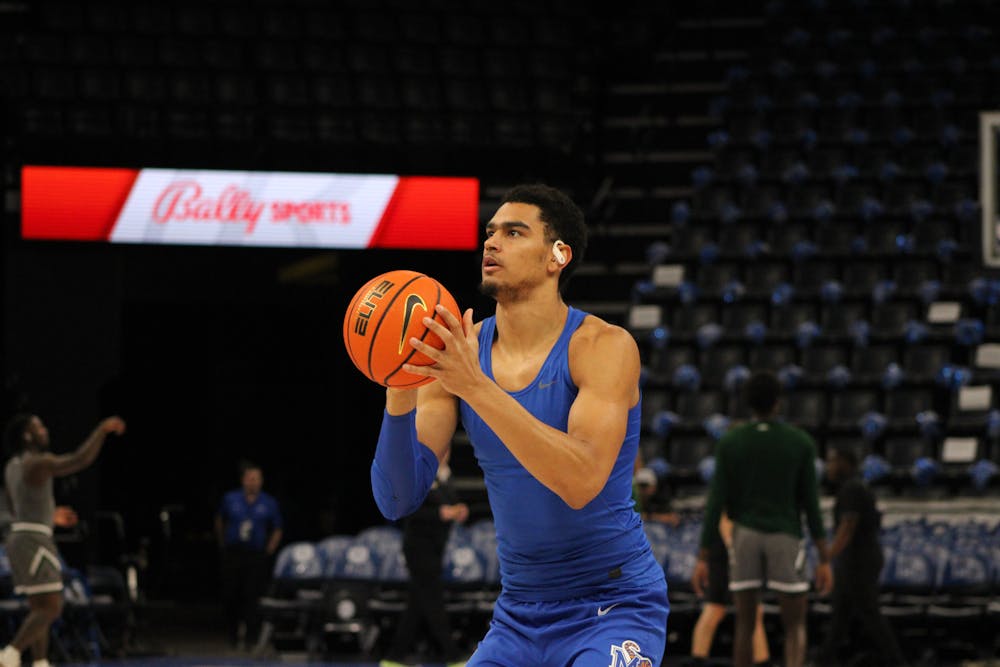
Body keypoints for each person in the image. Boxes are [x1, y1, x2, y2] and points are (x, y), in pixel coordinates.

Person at [371, 184, 668, 666]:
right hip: (518, 615)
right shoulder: (460, 357)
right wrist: (398, 383)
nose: (491, 243)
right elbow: (396, 498)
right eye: (490, 233)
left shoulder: (603, 347)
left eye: (513, 232)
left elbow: (580, 481)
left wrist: (477, 387)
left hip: (613, 606)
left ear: (558, 255)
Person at [692, 371, 832, 667]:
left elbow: (715, 502)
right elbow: (811, 504)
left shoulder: (731, 442)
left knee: (745, 622)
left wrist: (703, 556)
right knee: (795, 624)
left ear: (747, 403)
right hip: (785, 533)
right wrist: (824, 557)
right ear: (778, 403)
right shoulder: (800, 442)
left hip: (744, 535)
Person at [0, 413, 126, 667]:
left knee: (39, 606)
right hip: (33, 540)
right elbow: (79, 460)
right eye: (38, 426)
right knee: (52, 608)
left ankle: (40, 661)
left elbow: (17, 507)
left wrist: (50, 515)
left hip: (20, 536)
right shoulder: (37, 462)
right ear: (27, 435)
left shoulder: (12, 465)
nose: (44, 430)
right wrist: (101, 430)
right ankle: (10, 653)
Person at [817, 445, 907, 667]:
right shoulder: (853, 487)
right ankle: (824, 661)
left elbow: (848, 526)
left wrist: (827, 555)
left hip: (859, 561)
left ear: (844, 463)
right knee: (841, 617)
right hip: (857, 559)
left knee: (869, 615)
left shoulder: (852, 489)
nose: (828, 467)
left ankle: (897, 661)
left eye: (831, 461)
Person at [381, 458, 470, 667]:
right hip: (418, 549)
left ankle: (393, 658)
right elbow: (408, 510)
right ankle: (453, 656)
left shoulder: (445, 475)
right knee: (434, 602)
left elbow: (450, 503)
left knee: (417, 606)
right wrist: (442, 513)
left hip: (435, 549)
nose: (446, 453)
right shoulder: (419, 474)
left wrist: (458, 510)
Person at [215, 461, 283, 651]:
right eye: (249, 478)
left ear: (261, 481)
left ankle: (252, 637)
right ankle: (232, 634)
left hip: (255, 556)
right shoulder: (230, 499)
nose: (252, 482)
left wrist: (269, 550)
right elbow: (220, 520)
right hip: (234, 553)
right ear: (243, 480)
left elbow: (277, 528)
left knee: (253, 596)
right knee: (231, 595)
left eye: (256, 479)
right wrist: (223, 544)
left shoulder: (268, 502)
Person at [689, 513, 770, 667]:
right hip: (730, 548)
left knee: (749, 611)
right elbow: (723, 511)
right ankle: (697, 661)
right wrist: (733, 548)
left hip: (737, 546)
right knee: (717, 608)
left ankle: (763, 661)